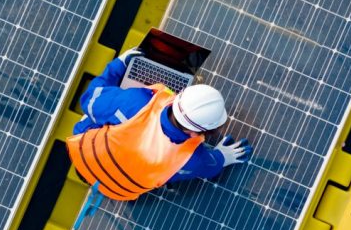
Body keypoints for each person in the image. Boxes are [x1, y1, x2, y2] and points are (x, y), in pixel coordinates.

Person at [66, 48, 252, 202]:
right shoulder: (192, 158)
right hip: (119, 191)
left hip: (82, 155)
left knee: (110, 107)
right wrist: (221, 158)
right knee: (166, 172)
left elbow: (89, 100)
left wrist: (119, 65)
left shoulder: (135, 103)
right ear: (197, 133)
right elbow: (211, 167)